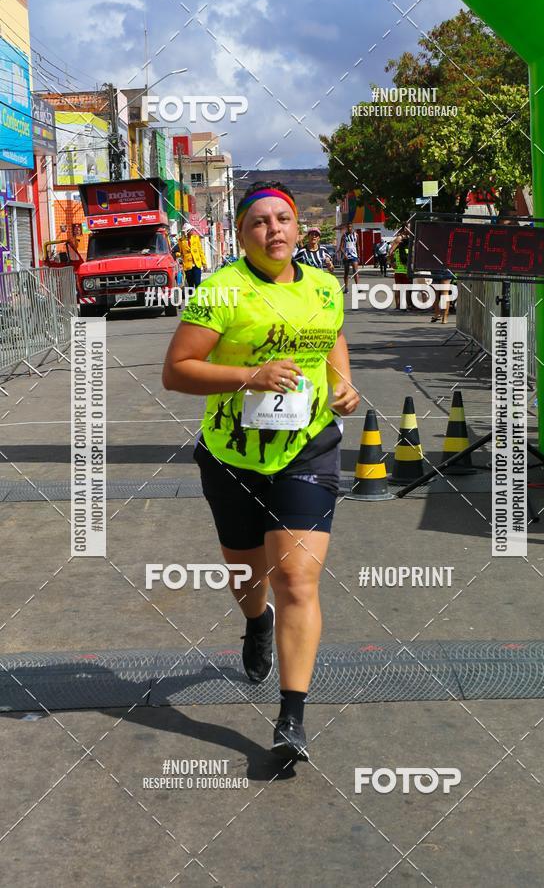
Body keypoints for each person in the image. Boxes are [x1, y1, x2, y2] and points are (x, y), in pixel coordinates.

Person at [162, 181, 360, 762]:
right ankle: (256, 623)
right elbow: (177, 371)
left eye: (283, 219)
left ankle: (291, 717)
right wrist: (249, 376)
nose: (274, 230)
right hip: (233, 454)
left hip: (307, 450)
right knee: (250, 578)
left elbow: (332, 340)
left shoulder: (324, 287)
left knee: (297, 579)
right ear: (243, 234)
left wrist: (342, 383)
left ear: (298, 228)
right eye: (259, 222)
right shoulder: (222, 291)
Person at [388, 227, 411, 311]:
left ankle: (408, 306)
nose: (410, 229)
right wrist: (392, 263)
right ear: (405, 228)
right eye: (408, 227)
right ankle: (398, 306)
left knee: (407, 288)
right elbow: (390, 251)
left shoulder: (410, 237)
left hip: (407, 268)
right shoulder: (399, 238)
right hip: (399, 269)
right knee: (399, 288)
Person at [179, 223, 207, 288]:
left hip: (197, 264)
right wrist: (178, 255)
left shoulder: (196, 238)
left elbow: (201, 251)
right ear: (187, 231)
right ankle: (191, 297)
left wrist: (204, 263)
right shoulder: (181, 241)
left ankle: (198, 297)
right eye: (191, 230)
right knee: (190, 284)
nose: (192, 231)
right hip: (187, 265)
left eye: (192, 230)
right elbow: (180, 252)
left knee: (198, 283)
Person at [338, 223, 359, 293]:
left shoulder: (356, 235)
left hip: (354, 256)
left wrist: (358, 256)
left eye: (350, 227)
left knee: (355, 271)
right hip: (346, 256)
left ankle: (358, 287)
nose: (349, 228)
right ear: (347, 228)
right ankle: (346, 288)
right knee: (346, 272)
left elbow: (357, 246)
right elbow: (340, 247)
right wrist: (345, 255)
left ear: (352, 227)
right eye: (348, 227)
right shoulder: (344, 236)